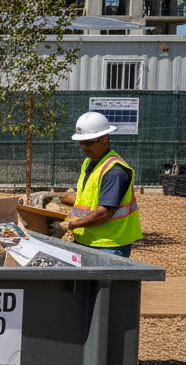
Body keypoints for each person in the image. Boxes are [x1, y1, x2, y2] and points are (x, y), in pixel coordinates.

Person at [52, 111, 142, 258]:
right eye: (82, 142)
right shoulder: (89, 163)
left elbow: (105, 212)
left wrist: (69, 225)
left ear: (105, 138)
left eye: (89, 142)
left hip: (109, 245)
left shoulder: (115, 171)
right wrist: (54, 197)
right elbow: (85, 198)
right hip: (87, 240)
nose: (84, 147)